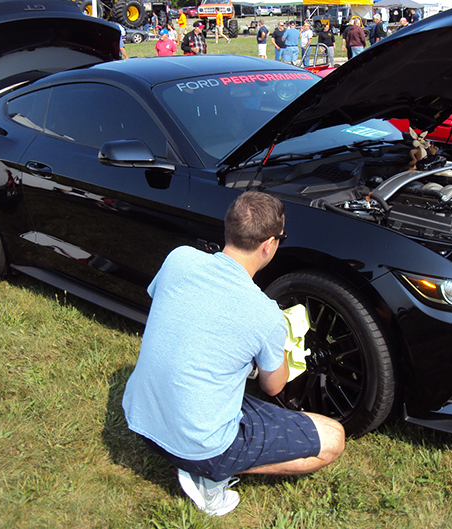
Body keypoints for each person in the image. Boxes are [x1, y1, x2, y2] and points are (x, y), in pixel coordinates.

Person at [122, 192, 345, 517]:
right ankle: (209, 477)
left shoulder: (179, 258)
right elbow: (273, 387)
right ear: (269, 244)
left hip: (141, 417)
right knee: (332, 438)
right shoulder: (265, 315)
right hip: (198, 444)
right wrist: (282, 343)